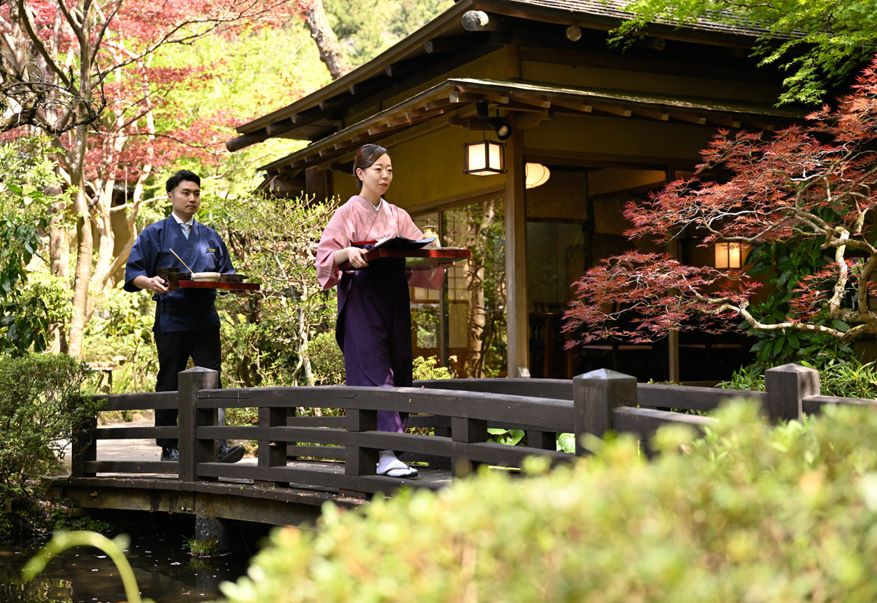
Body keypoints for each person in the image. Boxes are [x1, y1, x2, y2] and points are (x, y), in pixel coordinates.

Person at [316, 144, 443, 479]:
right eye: (378, 169)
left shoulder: (398, 214)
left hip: (394, 296)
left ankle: (385, 449)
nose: (386, 175)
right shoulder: (347, 212)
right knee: (373, 371)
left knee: (400, 367)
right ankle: (384, 452)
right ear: (360, 173)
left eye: (389, 169)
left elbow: (422, 251)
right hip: (363, 297)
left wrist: (433, 246)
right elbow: (326, 258)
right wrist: (347, 254)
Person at [124, 170, 244, 463]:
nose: (192, 198)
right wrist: (150, 282)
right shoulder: (155, 233)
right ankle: (169, 446)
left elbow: (226, 271)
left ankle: (217, 443)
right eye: (186, 193)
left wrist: (233, 284)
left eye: (196, 193)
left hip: (205, 317)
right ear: (170, 196)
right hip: (172, 318)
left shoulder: (210, 236)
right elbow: (133, 273)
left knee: (211, 380)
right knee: (169, 380)